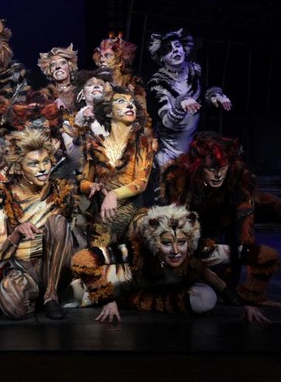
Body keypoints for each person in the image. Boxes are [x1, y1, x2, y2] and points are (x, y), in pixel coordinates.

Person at [159, 131, 280, 323]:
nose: (217, 175)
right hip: (192, 232)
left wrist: (249, 299)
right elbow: (175, 227)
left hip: (224, 221)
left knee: (258, 252)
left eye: (222, 168)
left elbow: (244, 233)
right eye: (211, 169)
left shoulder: (240, 179)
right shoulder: (181, 179)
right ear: (199, 167)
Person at [70, 204, 234, 322]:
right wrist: (107, 298)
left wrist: (243, 301)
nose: (176, 251)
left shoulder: (197, 250)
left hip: (155, 292)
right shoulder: (137, 250)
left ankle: (137, 300)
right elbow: (82, 259)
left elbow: (246, 254)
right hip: (118, 285)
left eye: (181, 243)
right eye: (167, 243)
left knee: (207, 298)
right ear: (155, 243)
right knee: (77, 293)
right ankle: (127, 299)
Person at [0, 127, 77, 320]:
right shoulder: (2, 198)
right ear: (19, 167)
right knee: (10, 303)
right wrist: (17, 233)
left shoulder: (60, 192)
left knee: (57, 222)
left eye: (45, 162)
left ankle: (51, 296)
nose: (43, 169)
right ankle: (41, 300)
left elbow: (72, 237)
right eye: (34, 164)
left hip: (58, 268)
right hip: (25, 271)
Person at [79, 87, 155, 247]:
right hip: (102, 218)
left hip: (132, 216)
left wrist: (114, 194)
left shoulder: (142, 142)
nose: (130, 105)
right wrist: (91, 186)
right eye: (121, 101)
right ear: (108, 112)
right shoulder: (95, 145)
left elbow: (141, 182)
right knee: (97, 257)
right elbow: (83, 182)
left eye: (132, 102)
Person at [147, 28, 231, 171]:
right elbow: (167, 122)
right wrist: (180, 104)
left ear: (184, 49)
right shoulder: (158, 82)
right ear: (161, 58)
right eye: (168, 49)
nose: (175, 50)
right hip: (168, 149)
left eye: (177, 46)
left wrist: (214, 96)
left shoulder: (194, 70)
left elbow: (200, 99)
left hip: (193, 146)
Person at [36, 43, 78, 111]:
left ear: (70, 67)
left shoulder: (80, 92)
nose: (57, 67)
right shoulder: (44, 95)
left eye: (62, 63)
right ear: (50, 71)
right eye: (53, 65)